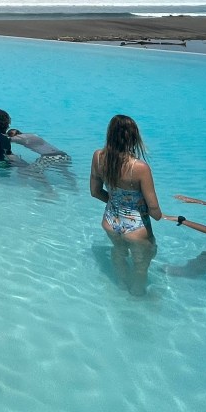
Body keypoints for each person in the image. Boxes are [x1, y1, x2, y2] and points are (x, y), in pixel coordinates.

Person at [89, 114, 162, 297]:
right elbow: (154, 210)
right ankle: (137, 298)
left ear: (110, 134)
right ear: (134, 137)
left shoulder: (98, 157)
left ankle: (121, 286)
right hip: (136, 228)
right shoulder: (139, 168)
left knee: (119, 252)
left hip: (110, 222)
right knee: (141, 264)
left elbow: (95, 192)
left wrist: (117, 203)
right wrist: (160, 215)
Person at [9, 126, 77, 188]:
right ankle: (74, 186)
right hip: (64, 156)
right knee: (64, 172)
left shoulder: (21, 137)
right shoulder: (32, 135)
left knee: (30, 170)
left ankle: (48, 191)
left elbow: (7, 139)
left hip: (51, 157)